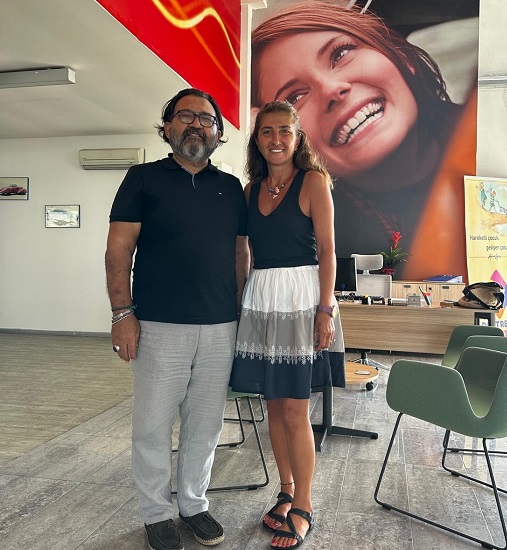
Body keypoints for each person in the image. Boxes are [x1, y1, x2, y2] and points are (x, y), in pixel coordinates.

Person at [105, 88, 249, 550]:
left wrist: (240, 311)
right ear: (167, 127)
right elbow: (118, 250)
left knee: (205, 426)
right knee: (152, 426)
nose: (196, 125)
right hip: (158, 327)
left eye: (207, 119)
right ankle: (156, 513)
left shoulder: (231, 188)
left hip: (221, 326)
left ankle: (193, 504)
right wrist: (122, 313)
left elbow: (240, 254)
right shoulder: (142, 178)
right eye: (185, 116)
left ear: (218, 134)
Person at [251, 2, 473, 280]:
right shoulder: (308, 209)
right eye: (294, 97)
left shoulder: (480, 135)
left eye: (341, 54)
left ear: (400, 56)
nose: (332, 89)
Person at [229, 100, 345, 549]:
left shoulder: (313, 181)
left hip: (301, 299)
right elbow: (243, 252)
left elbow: (329, 251)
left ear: (298, 138)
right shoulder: (249, 190)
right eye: (266, 131)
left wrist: (325, 309)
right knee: (273, 406)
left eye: (284, 131)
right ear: (257, 140)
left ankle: (305, 506)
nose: (275, 139)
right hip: (262, 300)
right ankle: (286, 490)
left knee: (295, 408)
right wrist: (240, 300)